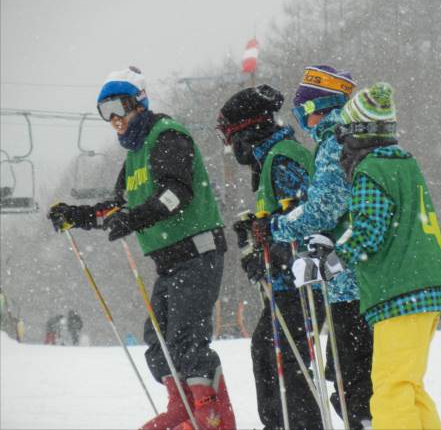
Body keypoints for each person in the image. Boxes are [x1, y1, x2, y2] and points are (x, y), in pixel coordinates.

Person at [47, 67, 236, 430]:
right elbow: (119, 209)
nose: (114, 119)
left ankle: (212, 416)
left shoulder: (167, 137)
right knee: (158, 340)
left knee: (186, 338)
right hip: (169, 262)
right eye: (105, 112)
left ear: (139, 102)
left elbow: (175, 194)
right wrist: (77, 215)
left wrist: (135, 220)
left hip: (198, 252)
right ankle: (182, 405)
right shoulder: (134, 157)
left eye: (118, 107)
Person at [307, 82, 441, 429]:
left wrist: (331, 261)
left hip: (399, 292)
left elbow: (369, 230)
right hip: (426, 287)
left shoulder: (371, 169)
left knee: (389, 389)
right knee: (410, 386)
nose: (340, 146)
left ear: (358, 133)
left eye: (343, 136)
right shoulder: (404, 164)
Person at [251, 65, 374, 429]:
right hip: (360, 275)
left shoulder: (334, 141)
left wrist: (277, 224)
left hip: (350, 279)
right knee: (355, 374)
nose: (303, 121)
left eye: (304, 111)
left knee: (351, 379)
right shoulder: (353, 137)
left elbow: (323, 208)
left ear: (319, 107)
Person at [216, 84, 324, 430]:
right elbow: (275, 220)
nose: (230, 148)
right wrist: (257, 242)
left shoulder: (282, 157)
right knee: (267, 354)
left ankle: (298, 425)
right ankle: (279, 424)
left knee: (287, 363)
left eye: (230, 138)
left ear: (249, 132)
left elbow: (305, 214)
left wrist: (274, 248)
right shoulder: (271, 160)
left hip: (302, 283)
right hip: (285, 284)